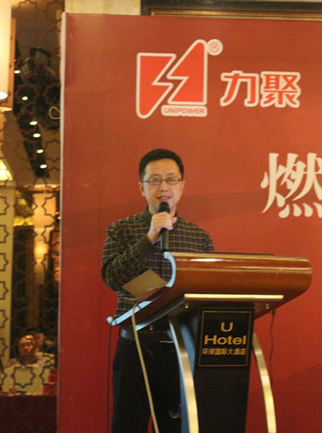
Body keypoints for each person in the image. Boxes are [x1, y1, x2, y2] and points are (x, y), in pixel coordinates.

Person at [101, 148, 214, 433]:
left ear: (182, 186)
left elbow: (206, 291)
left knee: (176, 428)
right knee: (128, 426)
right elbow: (112, 278)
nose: (163, 186)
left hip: (181, 351)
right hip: (135, 347)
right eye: (154, 180)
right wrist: (149, 238)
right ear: (142, 187)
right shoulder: (121, 230)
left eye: (171, 179)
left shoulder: (199, 237)